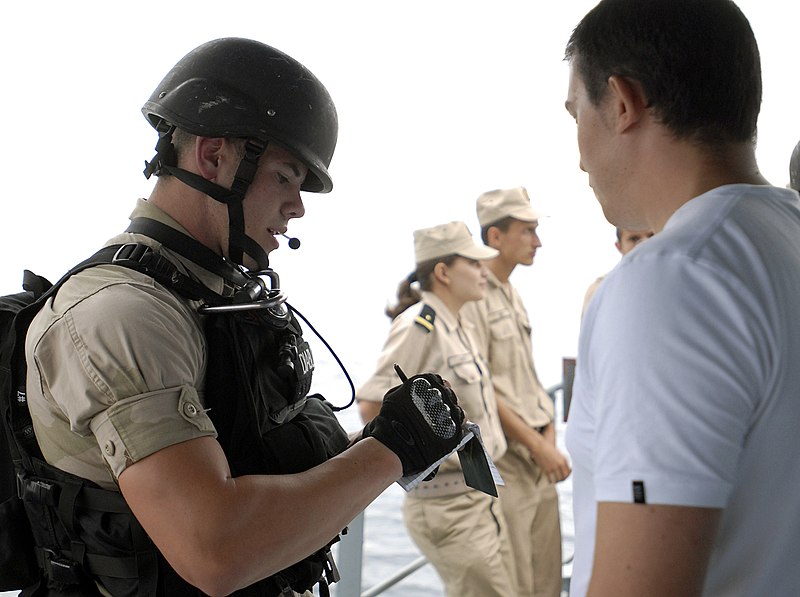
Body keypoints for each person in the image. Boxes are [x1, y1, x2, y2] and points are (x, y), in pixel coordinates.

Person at [21, 37, 466, 596]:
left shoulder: (208, 297)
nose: (298, 205)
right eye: (286, 176)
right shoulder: (124, 314)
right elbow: (215, 548)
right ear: (213, 156)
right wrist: (390, 450)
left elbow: (244, 458)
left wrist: (378, 440)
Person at [563, 1, 800, 596]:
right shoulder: (784, 237)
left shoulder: (672, 281)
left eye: (575, 115)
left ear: (622, 102)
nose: (578, 157)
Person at [357, 221, 517, 597]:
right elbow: (371, 406)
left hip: (478, 497)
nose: (483, 272)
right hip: (448, 505)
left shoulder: (457, 324)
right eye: (474, 264)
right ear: (443, 272)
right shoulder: (420, 325)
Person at [460, 187, 570, 597]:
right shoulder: (471, 294)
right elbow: (480, 389)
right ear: (495, 237)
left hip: (535, 458)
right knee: (513, 584)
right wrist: (538, 446)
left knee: (545, 582)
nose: (537, 241)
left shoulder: (510, 291)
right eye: (527, 231)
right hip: (504, 465)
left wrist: (547, 436)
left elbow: (523, 377)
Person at [581, 227, 653, 315]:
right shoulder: (600, 290)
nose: (644, 243)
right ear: (619, 246)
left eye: (651, 236)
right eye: (634, 239)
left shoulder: (671, 282)